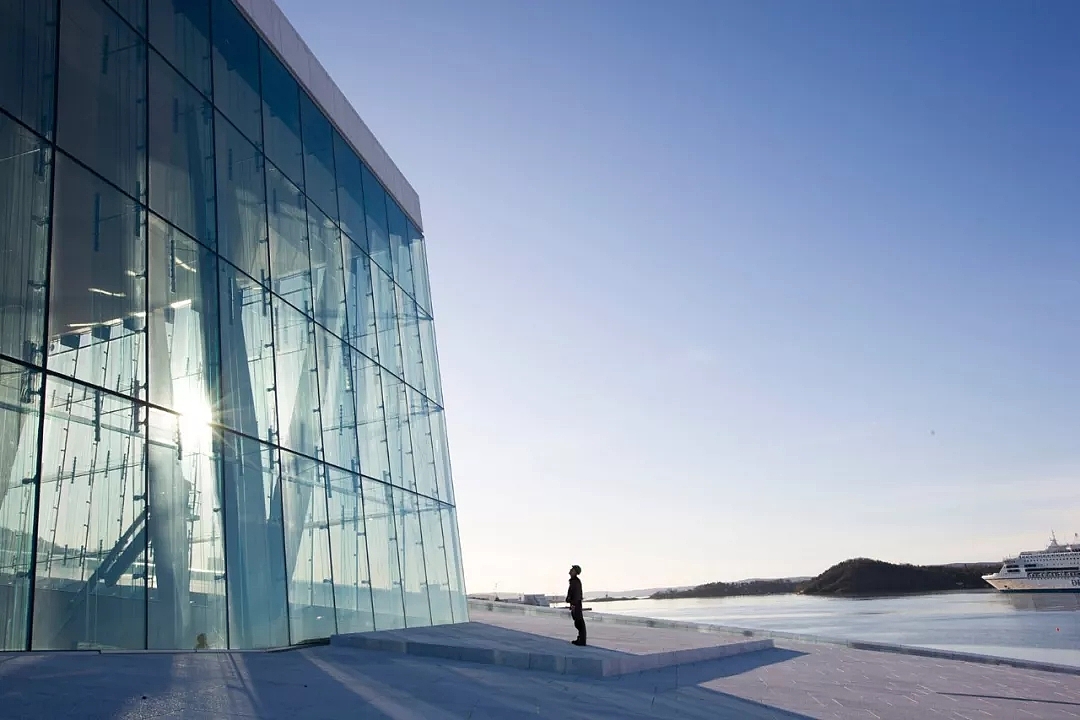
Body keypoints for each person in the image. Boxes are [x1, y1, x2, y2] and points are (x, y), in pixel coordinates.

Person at [566, 564, 586, 646]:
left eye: (572, 570)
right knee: (578, 622)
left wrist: (573, 603)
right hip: (575, 604)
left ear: (575, 572)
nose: (570, 571)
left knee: (579, 622)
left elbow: (577, 594)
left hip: (576, 604)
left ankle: (581, 640)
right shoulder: (574, 581)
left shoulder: (575, 582)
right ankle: (580, 639)